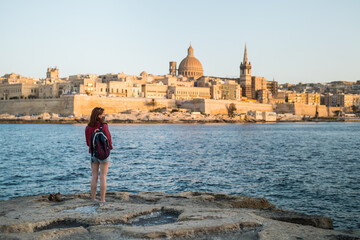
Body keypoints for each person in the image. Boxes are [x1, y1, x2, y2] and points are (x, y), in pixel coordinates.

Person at [85, 107, 113, 202]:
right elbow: (108, 139)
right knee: (103, 177)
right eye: (102, 114)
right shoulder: (103, 126)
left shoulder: (88, 127)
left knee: (94, 176)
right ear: (98, 115)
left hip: (93, 153)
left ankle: (93, 199)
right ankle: (102, 200)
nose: (104, 115)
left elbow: (88, 143)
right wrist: (110, 148)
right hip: (104, 154)